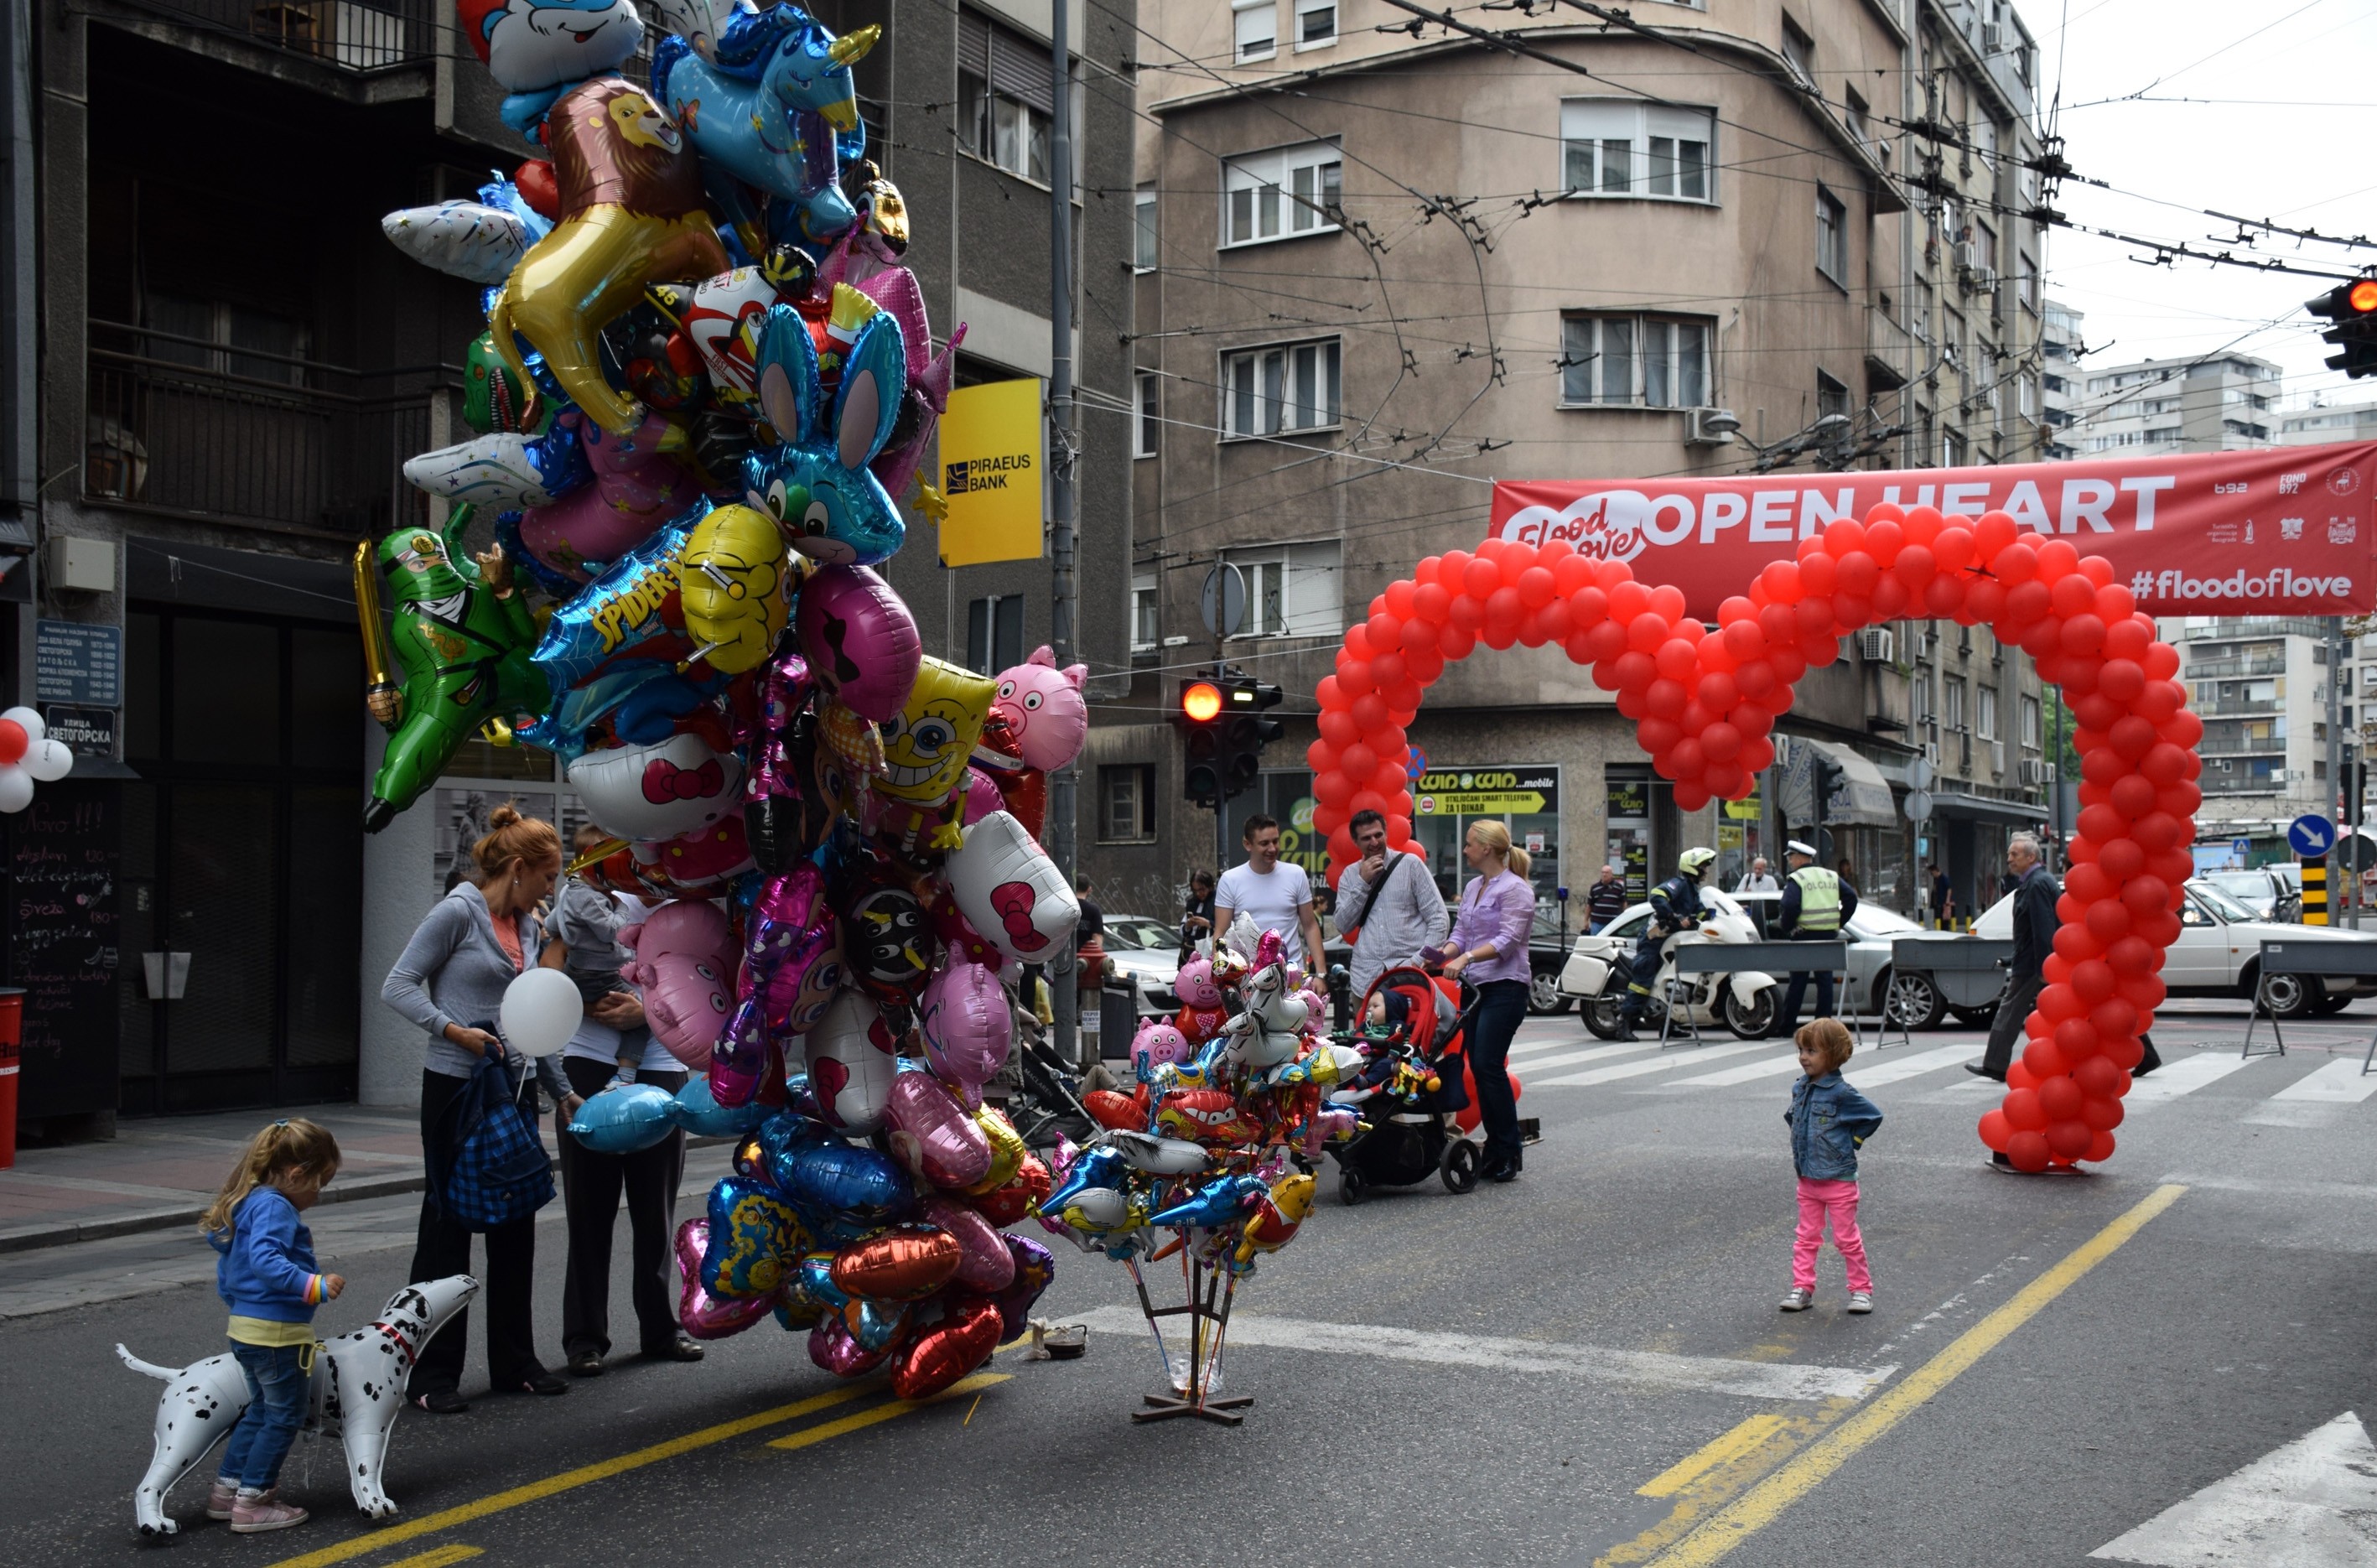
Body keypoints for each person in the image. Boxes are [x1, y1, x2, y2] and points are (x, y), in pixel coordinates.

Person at [383, 804, 575, 1412]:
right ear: (517, 869)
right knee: (447, 1228)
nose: (552, 889)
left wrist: (563, 1088)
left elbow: (534, 1014)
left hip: (514, 1090)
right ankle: (430, 1375)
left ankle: (515, 1362)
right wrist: (451, 1030)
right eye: (547, 877)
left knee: (515, 1221)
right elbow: (398, 985)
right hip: (456, 1090)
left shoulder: (531, 928)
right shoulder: (455, 913)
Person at [539, 847, 702, 1378]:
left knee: (655, 1210)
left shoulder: (685, 905)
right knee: (589, 1210)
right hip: (587, 1062)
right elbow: (546, 976)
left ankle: (661, 1330)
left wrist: (647, 1014)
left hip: (659, 1067)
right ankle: (584, 1338)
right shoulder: (587, 899)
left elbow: (708, 989)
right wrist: (587, 1005)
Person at [200, 1119, 347, 1533]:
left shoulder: (249, 1201)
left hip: (246, 1327)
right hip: (276, 1333)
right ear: (298, 1174)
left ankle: (226, 1493)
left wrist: (237, 1302)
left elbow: (234, 1266)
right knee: (285, 1416)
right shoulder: (276, 1207)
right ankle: (254, 1501)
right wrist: (313, 1285)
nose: (318, 1194)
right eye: (320, 1183)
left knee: (260, 1410)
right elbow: (266, 1261)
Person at [1430, 821, 1535, 1182]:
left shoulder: (1516, 890)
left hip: (1506, 987)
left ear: (1487, 849)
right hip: (1477, 989)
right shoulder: (1475, 886)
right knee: (1482, 1067)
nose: (1465, 850)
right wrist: (1442, 954)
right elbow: (1461, 933)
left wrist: (1467, 958)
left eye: (1470, 844)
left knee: (1489, 1066)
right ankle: (1495, 1150)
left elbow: (1507, 941)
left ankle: (1508, 1151)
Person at [1778, 1019, 1881, 1314]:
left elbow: (1872, 1117)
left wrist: (1852, 1141)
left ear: (1833, 1054)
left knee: (1846, 1239)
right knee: (1806, 1238)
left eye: (1811, 1050)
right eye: (1801, 1049)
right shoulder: (1800, 1088)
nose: (1803, 1056)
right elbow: (1793, 1118)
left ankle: (1861, 1291)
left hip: (1839, 1179)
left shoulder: (1842, 1092)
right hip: (1807, 1179)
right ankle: (1802, 1288)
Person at [546, 824, 650, 1091]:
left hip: (661, 1061)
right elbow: (550, 967)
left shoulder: (571, 894)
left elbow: (553, 923)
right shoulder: (605, 898)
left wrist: (646, 1013)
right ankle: (626, 1073)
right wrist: (592, 1009)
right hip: (588, 1048)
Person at [1332, 807, 1450, 999]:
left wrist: (1417, 960)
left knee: (1410, 1030)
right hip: (1366, 978)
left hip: (1411, 976)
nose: (1374, 842)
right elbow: (1343, 924)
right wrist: (1363, 882)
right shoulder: (1350, 875)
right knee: (1364, 1031)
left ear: (1386, 833)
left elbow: (1439, 919)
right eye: (1366, 838)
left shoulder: (1410, 864)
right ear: (1355, 842)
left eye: (1378, 835)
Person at [1972, 832, 2055, 1092]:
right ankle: (2146, 1054)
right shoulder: (2034, 882)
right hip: (2031, 960)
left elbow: (2042, 929)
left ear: (2031, 857)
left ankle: (1995, 1064)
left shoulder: (2037, 884)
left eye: (2014, 855)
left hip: (2032, 965)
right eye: (2009, 854)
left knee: (2008, 1012)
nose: (2009, 859)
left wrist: (2043, 967)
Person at [1617, 848, 1715, 1041]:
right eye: (1703, 866)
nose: (1706, 870)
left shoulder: (1693, 890)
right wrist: (1673, 915)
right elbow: (1657, 895)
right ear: (1693, 867)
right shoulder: (1678, 884)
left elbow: (1700, 911)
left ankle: (1668, 1026)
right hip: (1655, 938)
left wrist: (1716, 915)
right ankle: (1625, 1024)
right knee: (1643, 980)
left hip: (1673, 939)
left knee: (1672, 981)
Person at [1213, 815, 1325, 968]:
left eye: (1276, 841)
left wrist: (1321, 973)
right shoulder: (1230, 880)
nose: (1272, 848)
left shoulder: (1296, 874)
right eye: (1264, 843)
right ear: (1247, 844)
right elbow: (1221, 931)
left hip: (1290, 974)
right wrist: (1217, 973)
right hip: (1248, 976)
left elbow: (1310, 926)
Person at [1774, 840, 1859, 1036]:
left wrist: (1788, 928)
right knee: (1825, 982)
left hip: (1804, 936)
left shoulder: (1798, 877)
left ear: (1800, 858)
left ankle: (1787, 1027)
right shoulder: (1830, 875)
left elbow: (1789, 905)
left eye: (1791, 858)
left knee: (1798, 982)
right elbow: (1851, 898)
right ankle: (1822, 1027)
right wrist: (1838, 922)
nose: (1790, 862)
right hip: (1828, 935)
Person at [1178, 870, 1217, 963]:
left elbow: (1226, 927)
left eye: (1202, 890)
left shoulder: (1218, 902)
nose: (1199, 894)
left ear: (1210, 887)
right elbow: (1182, 929)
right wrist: (1188, 925)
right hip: (1189, 951)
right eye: (1195, 891)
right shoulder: (1192, 902)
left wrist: (1208, 924)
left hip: (1207, 951)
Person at [1585, 864, 1631, 933]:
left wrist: (1624, 917)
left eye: (1607, 873)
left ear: (1611, 874)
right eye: (1603, 872)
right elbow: (1589, 905)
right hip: (1597, 922)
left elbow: (1624, 902)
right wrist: (1586, 920)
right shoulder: (1595, 888)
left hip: (1612, 922)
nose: (1604, 875)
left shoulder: (1618, 887)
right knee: (1596, 942)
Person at [1928, 863, 1956, 931]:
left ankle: (1945, 931)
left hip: (1942, 903)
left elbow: (1949, 889)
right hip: (1937, 903)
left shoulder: (1943, 878)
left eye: (1932, 873)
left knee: (1944, 920)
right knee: (1938, 920)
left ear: (1935, 871)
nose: (1932, 875)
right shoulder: (1936, 879)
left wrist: (1947, 900)